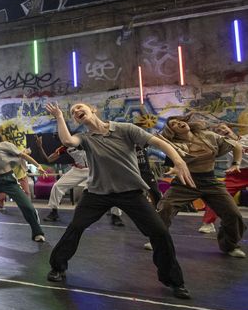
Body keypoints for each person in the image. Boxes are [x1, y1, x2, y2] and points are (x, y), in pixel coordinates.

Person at [44, 102, 194, 299]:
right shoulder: (85, 138)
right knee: (76, 227)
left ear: (93, 110)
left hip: (130, 193)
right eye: (72, 112)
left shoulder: (125, 129)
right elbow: (68, 141)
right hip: (97, 193)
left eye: (79, 107)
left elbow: (159, 143)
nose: (76, 111)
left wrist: (179, 161)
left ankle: (174, 280)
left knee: (159, 232)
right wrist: (59, 116)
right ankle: (58, 267)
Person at [151, 116, 245, 258]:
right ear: (172, 131)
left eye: (179, 121)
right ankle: (156, 241)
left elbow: (236, 145)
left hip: (210, 180)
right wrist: (175, 168)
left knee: (233, 214)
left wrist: (236, 164)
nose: (179, 123)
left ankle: (229, 245)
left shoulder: (208, 136)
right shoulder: (175, 144)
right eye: (174, 124)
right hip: (185, 182)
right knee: (165, 208)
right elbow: (175, 158)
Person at [36, 134, 123, 226]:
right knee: (57, 186)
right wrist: (39, 147)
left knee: (113, 188)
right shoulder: (63, 148)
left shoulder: (81, 140)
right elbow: (48, 160)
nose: (63, 141)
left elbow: (84, 146)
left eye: (63, 138)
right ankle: (54, 212)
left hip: (95, 168)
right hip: (78, 170)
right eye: (61, 140)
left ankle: (116, 215)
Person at [199, 123, 248, 233]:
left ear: (230, 129)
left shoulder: (246, 138)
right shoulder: (221, 145)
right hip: (235, 174)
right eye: (218, 131)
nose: (222, 130)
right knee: (218, 196)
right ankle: (208, 223)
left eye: (223, 128)